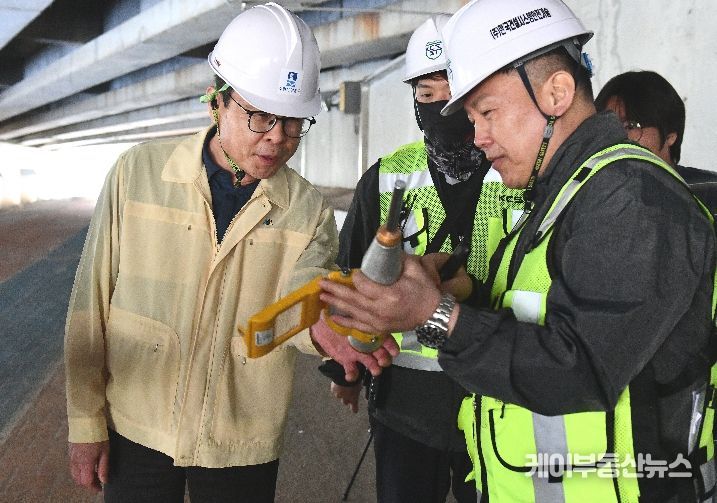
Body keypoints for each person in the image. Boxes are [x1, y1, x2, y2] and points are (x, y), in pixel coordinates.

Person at [320, 0, 717, 501]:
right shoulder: (565, 194)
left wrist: (434, 313)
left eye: (487, 112)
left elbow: (579, 370)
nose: (478, 138)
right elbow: (541, 314)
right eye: (471, 118)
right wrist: (457, 287)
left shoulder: (632, 199)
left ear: (556, 92)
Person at [64, 3, 397, 501]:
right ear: (217, 101)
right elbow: (89, 306)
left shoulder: (306, 208)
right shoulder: (138, 174)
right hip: (136, 425)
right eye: (260, 116)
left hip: (240, 439)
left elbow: (305, 288)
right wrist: (85, 422)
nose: (278, 138)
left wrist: (320, 322)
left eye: (293, 122)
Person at [325, 15, 524, 503]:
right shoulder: (388, 178)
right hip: (407, 404)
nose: (441, 110)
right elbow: (348, 276)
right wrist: (346, 367)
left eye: (452, 94)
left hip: (500, 398)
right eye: (426, 95)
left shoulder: (519, 171)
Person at [595, 70, 717, 217]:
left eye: (630, 126)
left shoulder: (709, 193)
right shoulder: (590, 199)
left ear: (670, 136)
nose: (614, 137)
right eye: (607, 125)